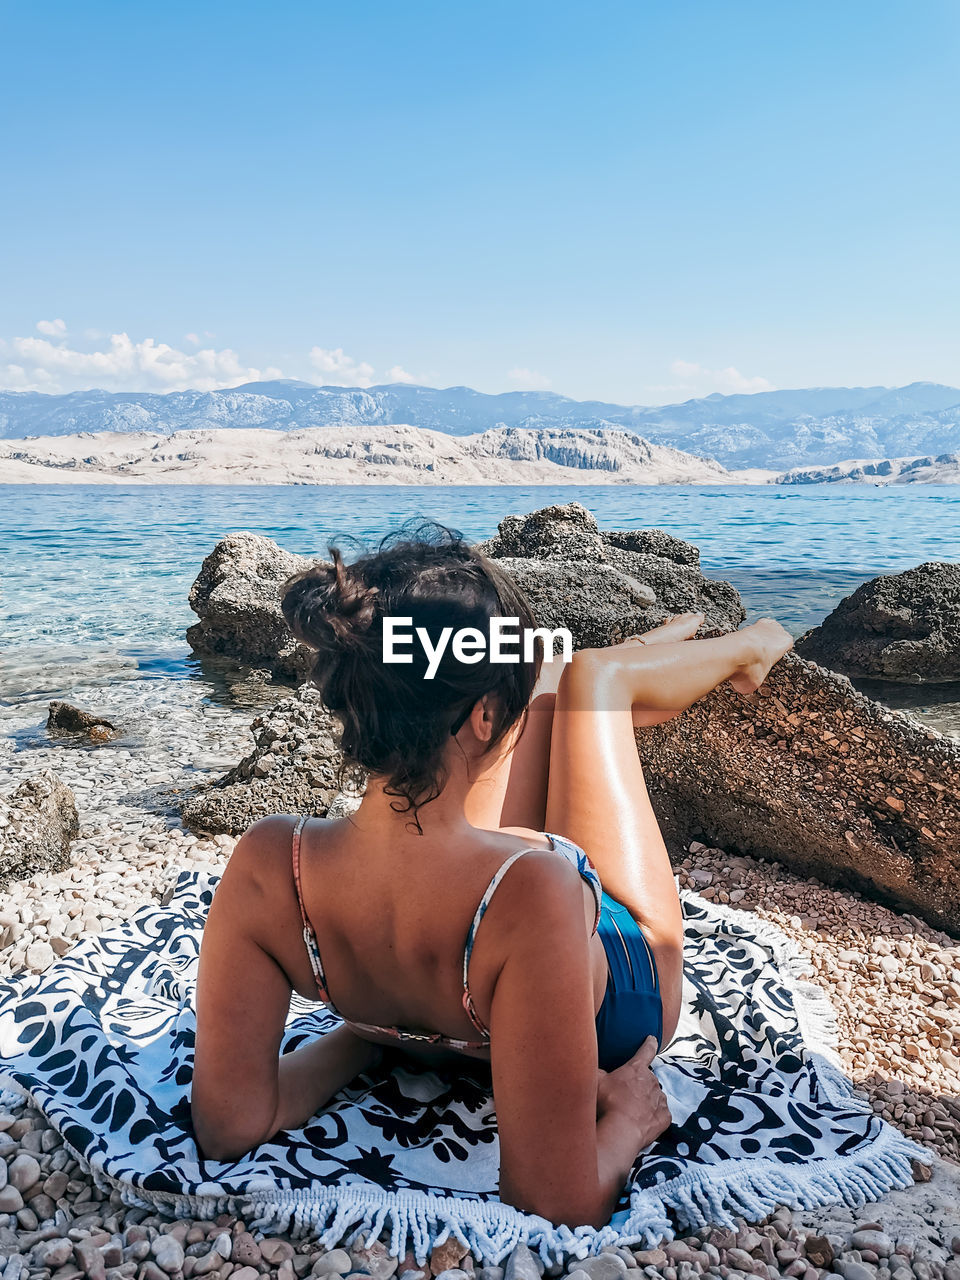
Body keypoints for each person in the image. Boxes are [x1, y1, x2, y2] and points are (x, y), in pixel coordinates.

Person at [191, 525, 793, 1228]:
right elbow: (557, 1201)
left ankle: (576, 670)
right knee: (587, 682)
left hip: (467, 951)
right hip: (615, 1007)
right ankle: (748, 646)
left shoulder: (271, 860)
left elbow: (232, 1124)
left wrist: (371, 1031)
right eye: (490, 711)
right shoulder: (533, 888)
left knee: (538, 678)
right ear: (482, 718)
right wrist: (630, 1119)